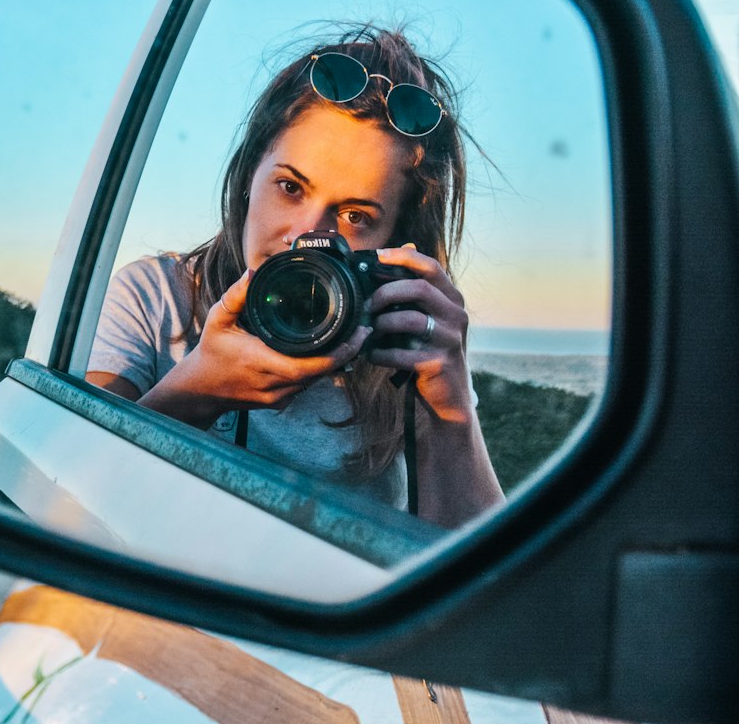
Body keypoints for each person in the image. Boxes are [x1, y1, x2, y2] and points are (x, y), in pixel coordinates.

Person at [86, 26, 504, 528]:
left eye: (355, 216)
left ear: (395, 245)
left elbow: (477, 573)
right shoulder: (156, 300)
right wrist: (197, 391)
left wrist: (449, 407)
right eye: (290, 187)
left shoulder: (399, 349)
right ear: (247, 176)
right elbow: (72, 492)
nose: (308, 234)